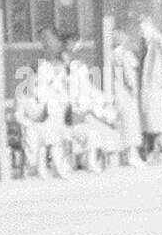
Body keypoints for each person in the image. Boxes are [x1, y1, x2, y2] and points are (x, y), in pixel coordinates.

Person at [60, 33, 118, 172]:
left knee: (104, 127)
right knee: (95, 129)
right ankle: (88, 161)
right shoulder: (68, 70)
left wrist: (102, 101)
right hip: (72, 116)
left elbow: (90, 91)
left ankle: (92, 160)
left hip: (82, 113)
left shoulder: (80, 75)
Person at [20, 27, 71, 179]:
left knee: (55, 138)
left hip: (55, 102)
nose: (45, 41)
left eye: (47, 37)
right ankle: (45, 169)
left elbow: (63, 80)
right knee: (45, 138)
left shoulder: (59, 57)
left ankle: (57, 167)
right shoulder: (41, 62)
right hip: (45, 103)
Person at [138, 16, 162, 158]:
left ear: (150, 26)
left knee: (158, 121)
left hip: (158, 89)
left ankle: (160, 150)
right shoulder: (146, 43)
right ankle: (154, 149)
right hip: (150, 88)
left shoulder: (159, 41)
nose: (141, 32)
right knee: (151, 120)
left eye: (143, 28)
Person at [110, 28, 144, 166]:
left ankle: (125, 155)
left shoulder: (112, 55)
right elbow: (129, 75)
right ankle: (132, 155)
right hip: (128, 94)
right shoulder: (125, 54)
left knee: (123, 124)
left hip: (118, 92)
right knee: (131, 124)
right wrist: (134, 89)